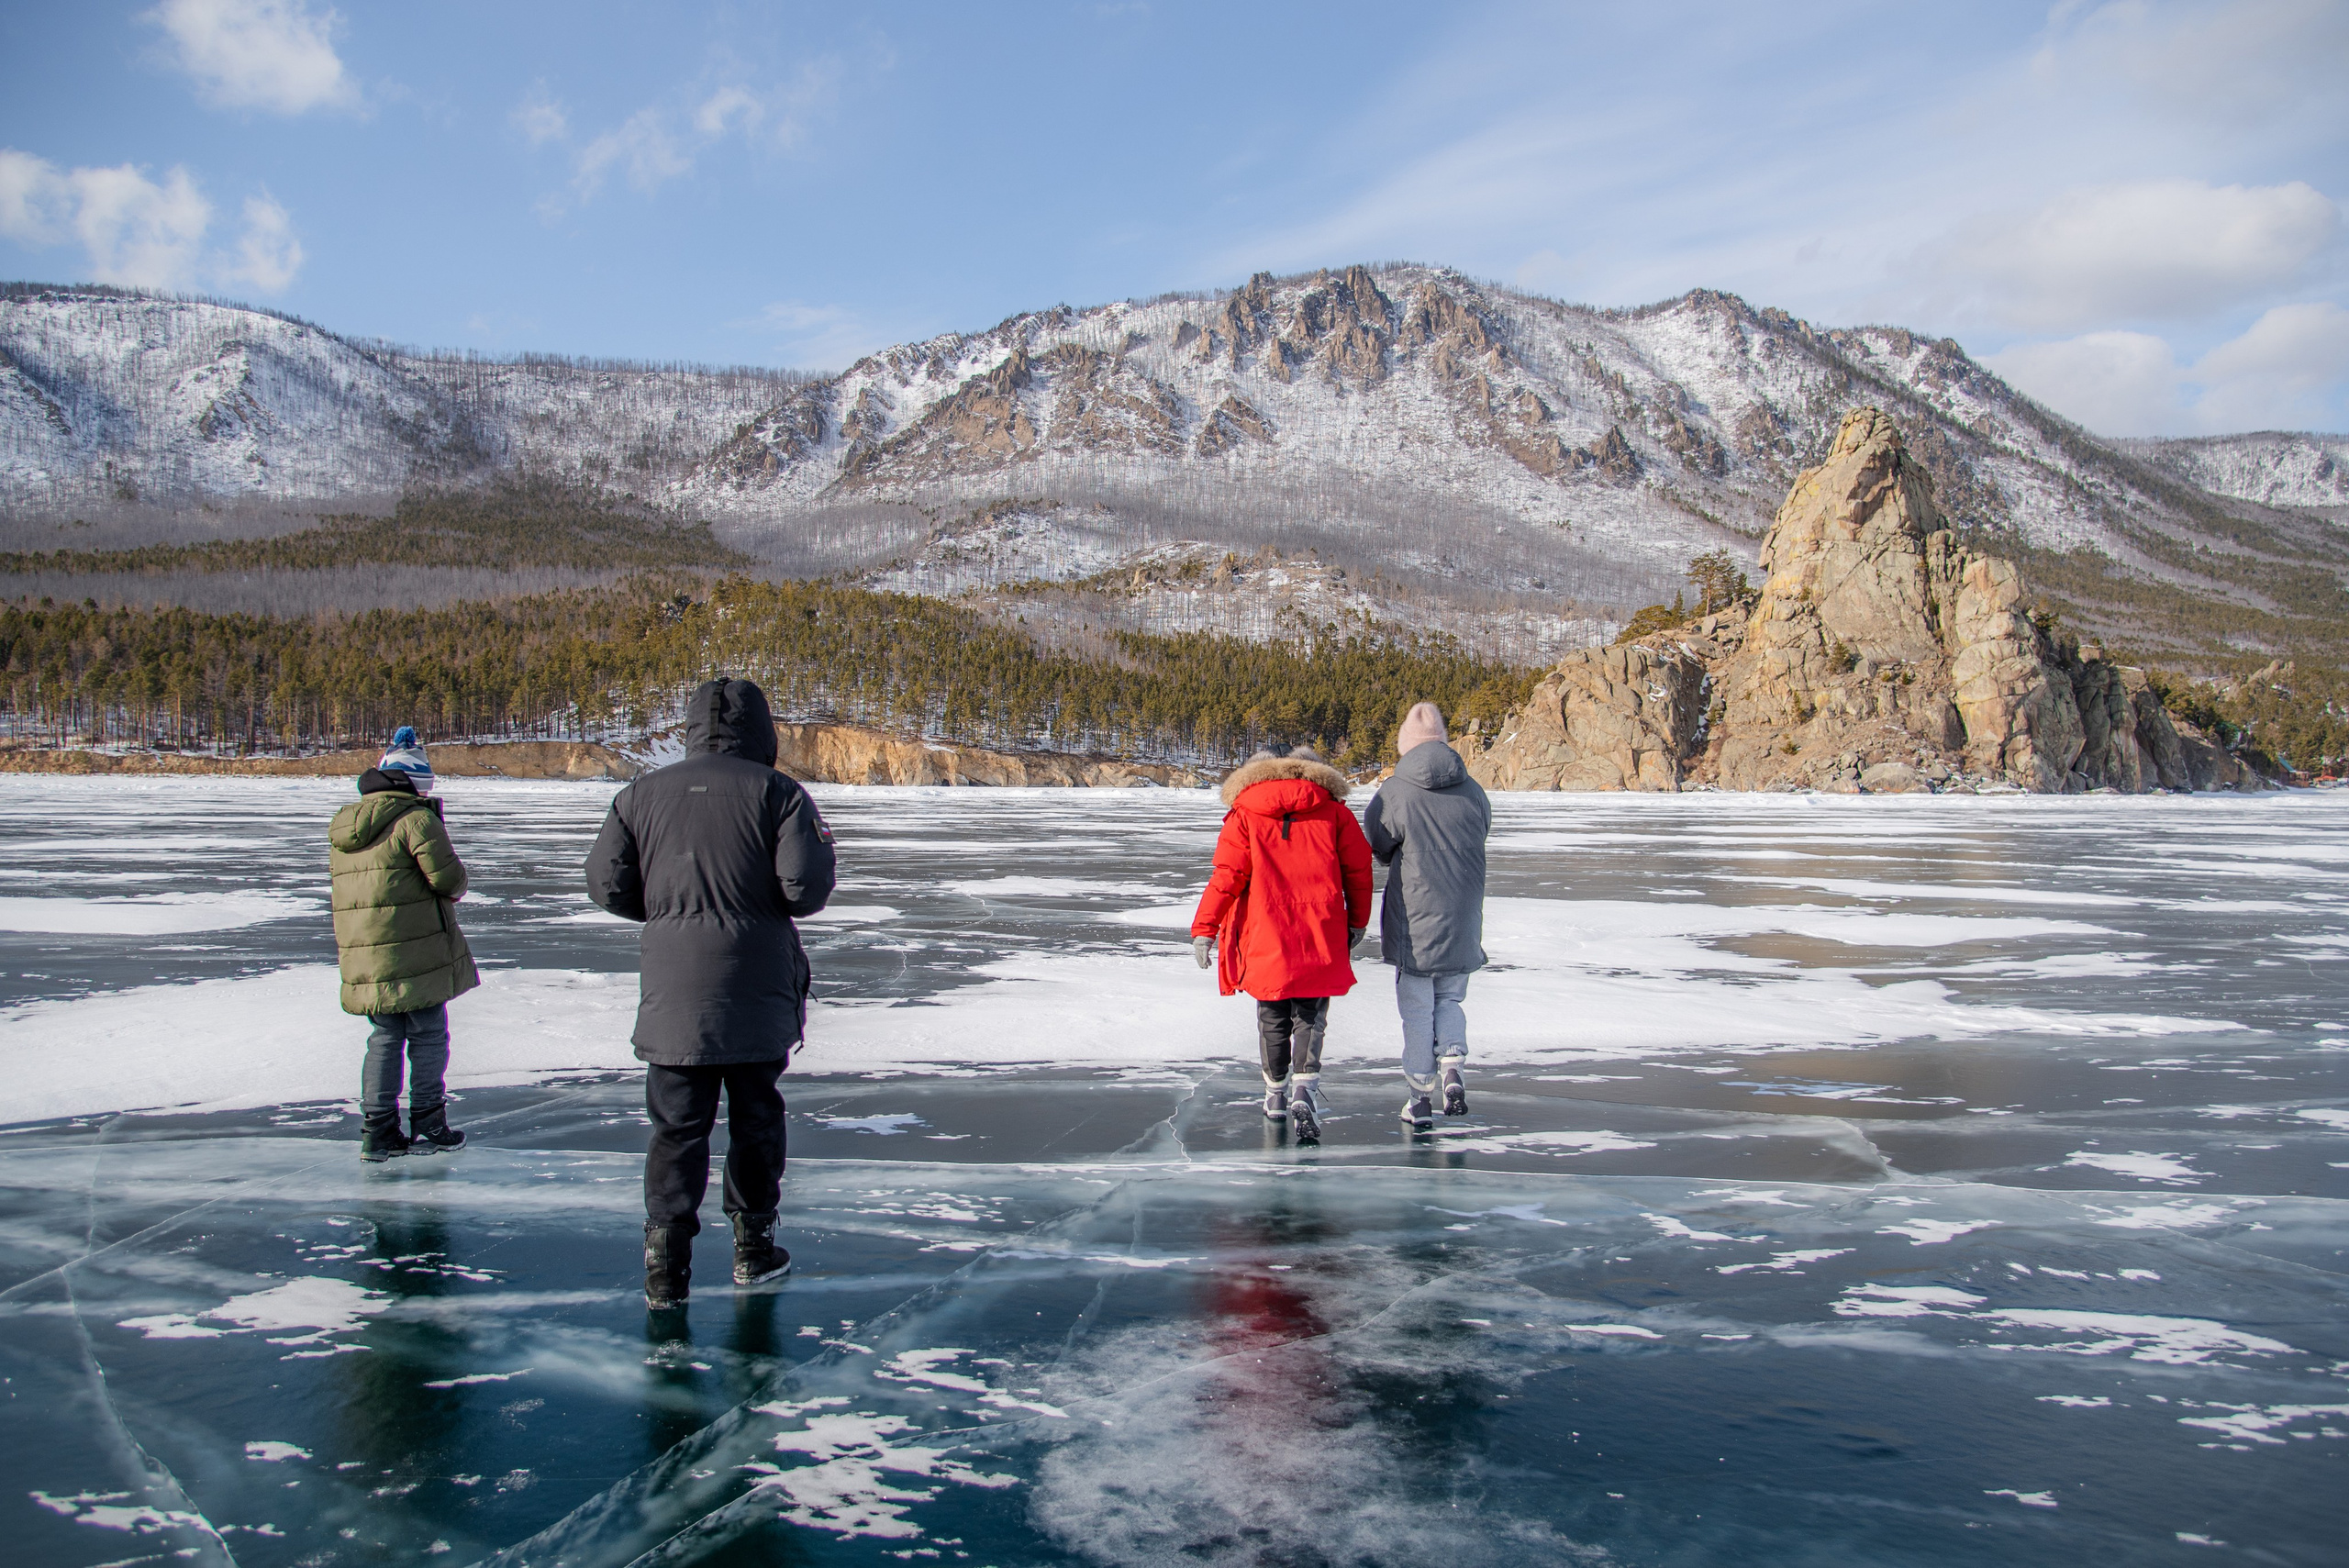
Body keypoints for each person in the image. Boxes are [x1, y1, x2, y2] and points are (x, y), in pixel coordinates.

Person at [585, 677, 837, 1310]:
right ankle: (754, 1250)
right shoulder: (780, 793)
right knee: (756, 1120)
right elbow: (804, 888)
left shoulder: (640, 794)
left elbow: (605, 882)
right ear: (763, 730)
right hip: (754, 987)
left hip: (675, 992)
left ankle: (665, 1268)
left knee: (675, 1128)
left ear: (692, 725)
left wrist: (671, 911)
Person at [1190, 743, 1374, 1143]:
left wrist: (1205, 928)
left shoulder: (1245, 814)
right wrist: (1358, 921)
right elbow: (1358, 871)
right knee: (1310, 1014)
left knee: (1272, 1015)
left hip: (1265, 930)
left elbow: (1227, 876)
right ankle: (1304, 1091)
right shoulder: (1335, 812)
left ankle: (1275, 1095)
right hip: (1320, 928)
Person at [328, 732, 478, 1162]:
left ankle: (378, 1131)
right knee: (429, 1033)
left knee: (384, 1036)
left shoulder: (346, 823)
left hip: (366, 948)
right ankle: (430, 1121)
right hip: (415, 949)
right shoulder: (415, 820)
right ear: (412, 783)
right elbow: (450, 880)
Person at [1364, 703, 1491, 1129]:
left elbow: (1378, 841)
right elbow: (1483, 829)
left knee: (1417, 1009)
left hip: (1415, 920)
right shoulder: (1473, 789)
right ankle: (1452, 1063)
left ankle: (1420, 1098)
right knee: (1450, 997)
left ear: (1406, 746)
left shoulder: (1395, 790)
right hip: (1463, 915)